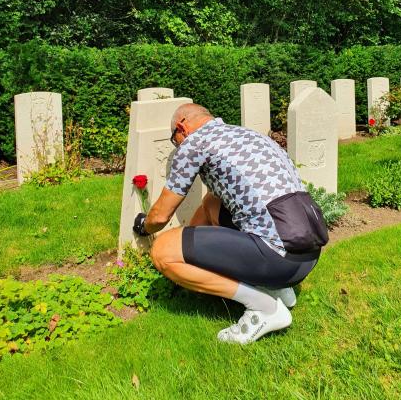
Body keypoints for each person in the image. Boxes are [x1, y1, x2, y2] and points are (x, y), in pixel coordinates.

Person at [133, 103, 327, 344]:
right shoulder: (248, 134)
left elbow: (160, 216)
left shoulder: (194, 143)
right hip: (307, 254)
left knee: (163, 250)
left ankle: (264, 308)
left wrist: (144, 226)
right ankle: (275, 287)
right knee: (211, 202)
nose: (178, 145)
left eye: (176, 140)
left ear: (182, 127)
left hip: (279, 257)